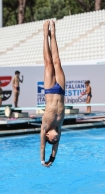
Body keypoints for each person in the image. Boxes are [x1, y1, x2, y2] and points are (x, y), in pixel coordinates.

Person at [40, 20, 65, 167]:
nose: (55, 140)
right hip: (61, 89)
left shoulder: (45, 126)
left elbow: (43, 146)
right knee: (57, 62)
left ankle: (45, 35)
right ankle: (53, 34)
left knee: (48, 63)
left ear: (48, 136)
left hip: (50, 90)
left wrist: (44, 161)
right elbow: (55, 148)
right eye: (56, 140)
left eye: (53, 140)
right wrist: (53, 159)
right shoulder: (60, 127)